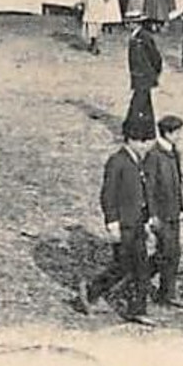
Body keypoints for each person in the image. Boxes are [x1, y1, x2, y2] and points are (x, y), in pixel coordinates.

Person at [76, 128, 153, 325]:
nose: (146, 146)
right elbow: (108, 195)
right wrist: (112, 222)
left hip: (137, 224)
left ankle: (137, 310)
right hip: (124, 224)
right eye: (142, 141)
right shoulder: (117, 161)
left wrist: (147, 220)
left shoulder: (138, 162)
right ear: (130, 140)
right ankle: (91, 291)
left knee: (141, 268)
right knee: (122, 266)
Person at [143, 115, 183, 308]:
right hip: (160, 214)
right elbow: (149, 188)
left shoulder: (173, 152)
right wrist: (152, 215)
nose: (180, 136)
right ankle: (133, 279)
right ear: (167, 133)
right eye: (177, 132)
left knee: (173, 253)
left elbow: (177, 182)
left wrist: (182, 207)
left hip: (173, 212)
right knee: (165, 252)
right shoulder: (154, 155)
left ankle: (166, 292)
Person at [125, 17, 163, 141]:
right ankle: (149, 131)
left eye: (130, 22)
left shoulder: (145, 37)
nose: (127, 25)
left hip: (145, 76)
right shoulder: (134, 36)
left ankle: (130, 131)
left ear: (137, 23)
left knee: (136, 104)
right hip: (138, 76)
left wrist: (155, 72)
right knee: (146, 105)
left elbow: (155, 56)